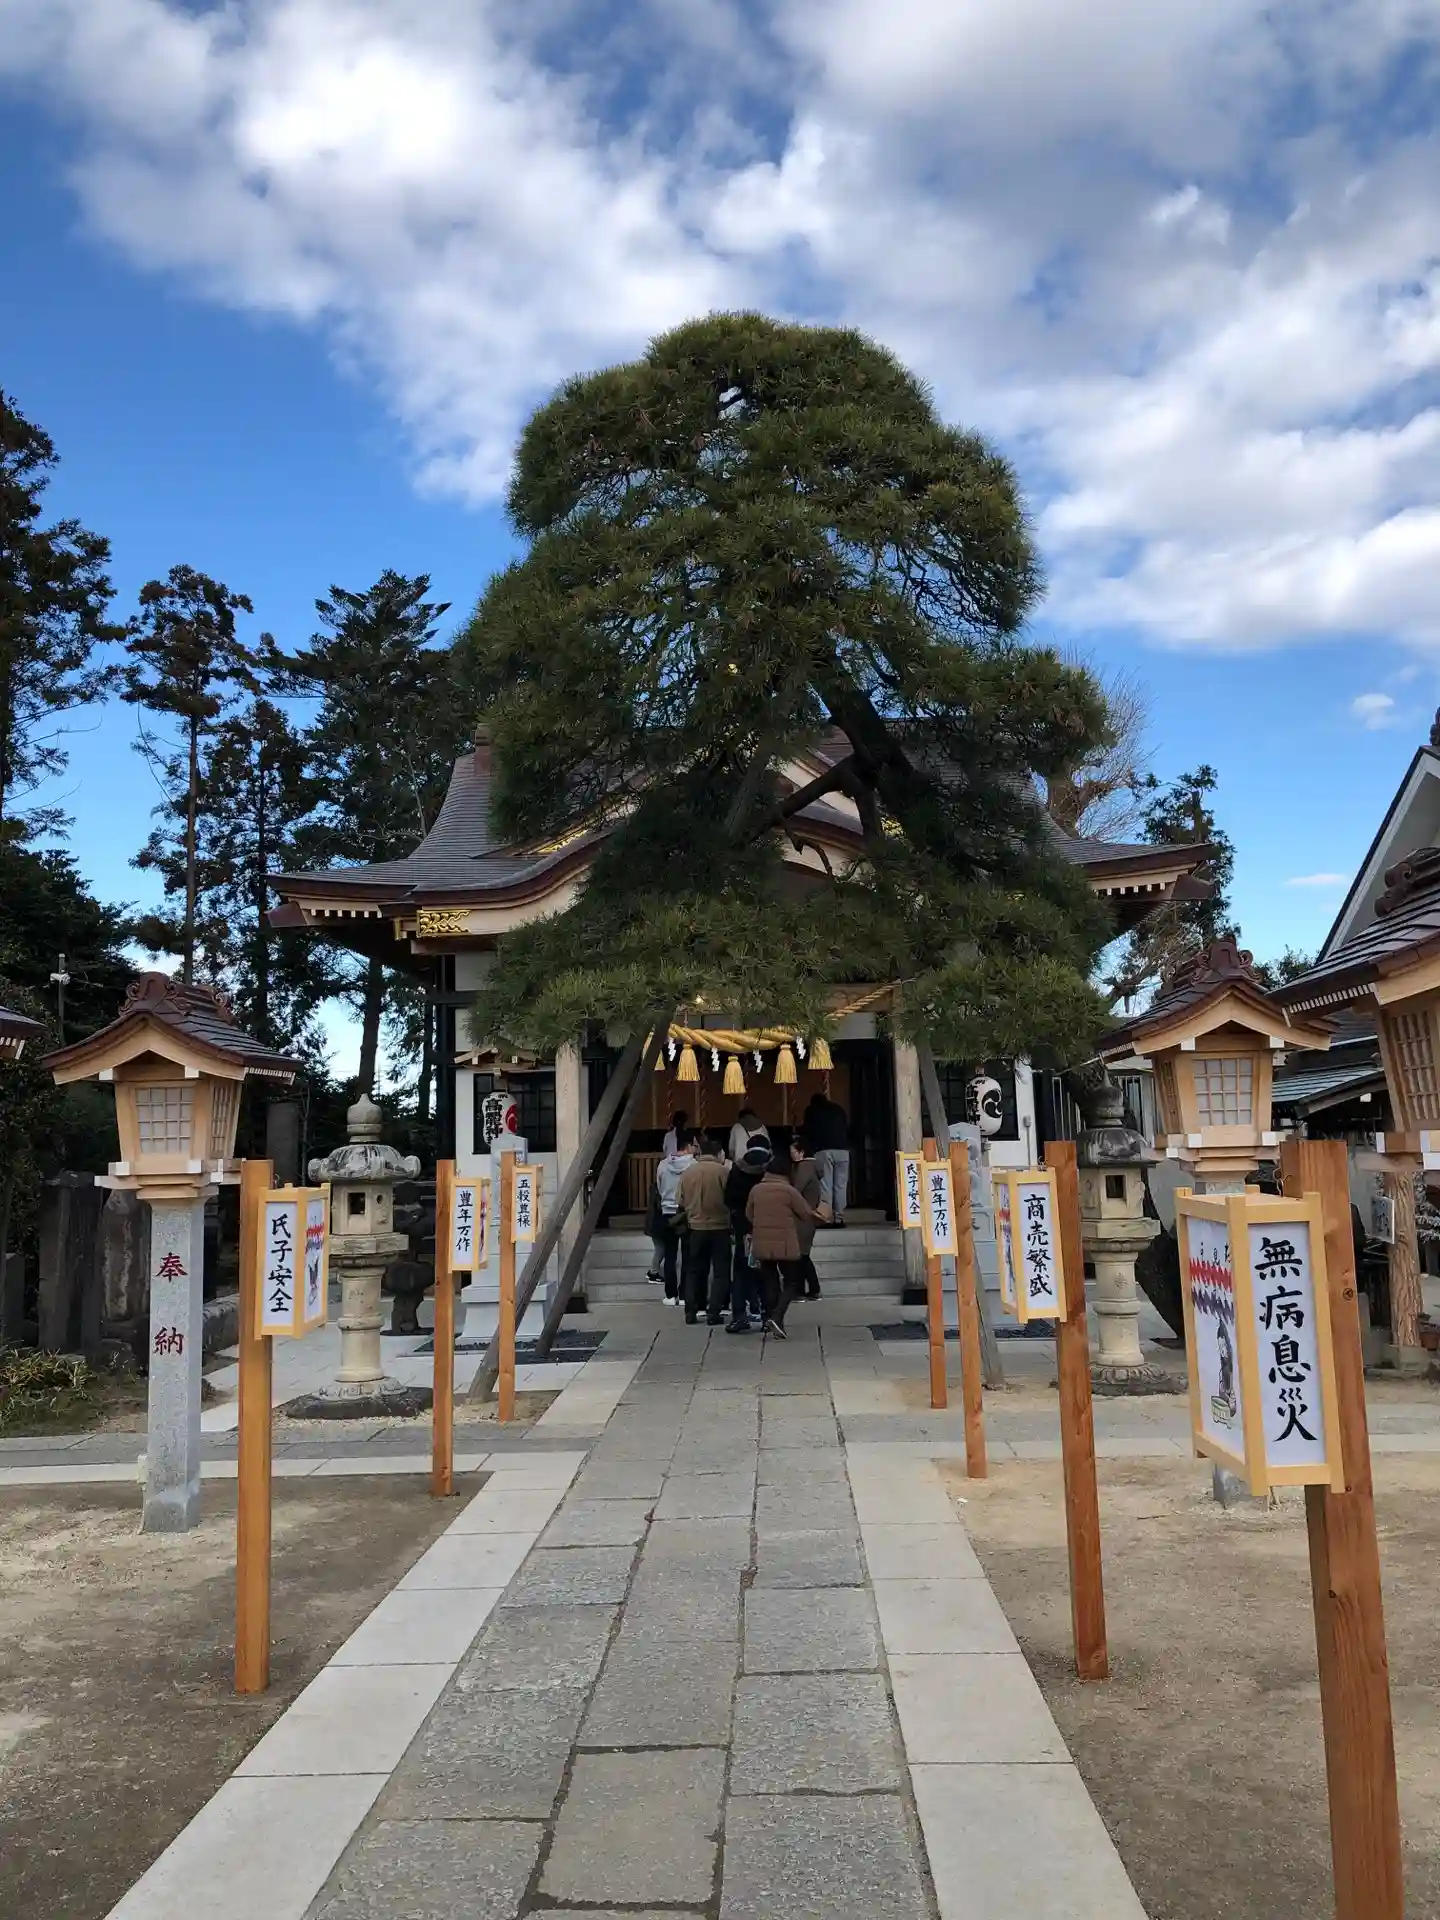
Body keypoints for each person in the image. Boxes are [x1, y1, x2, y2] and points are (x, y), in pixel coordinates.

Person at [746, 1158, 821, 1338]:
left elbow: (749, 1214)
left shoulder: (756, 1190)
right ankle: (777, 1317)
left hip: (763, 1243)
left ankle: (772, 1317)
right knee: (791, 1282)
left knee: (770, 1281)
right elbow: (805, 1213)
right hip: (785, 1244)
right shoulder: (789, 1191)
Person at [678, 1135, 732, 1324]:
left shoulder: (688, 1172)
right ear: (718, 1153)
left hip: (695, 1226)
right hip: (720, 1226)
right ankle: (714, 1311)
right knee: (720, 1271)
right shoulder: (723, 1172)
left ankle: (691, 1310)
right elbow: (730, 1198)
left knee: (694, 1270)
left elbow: (680, 1200)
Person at [723, 1140, 772, 1332]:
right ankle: (768, 1317)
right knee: (767, 1273)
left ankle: (739, 1316)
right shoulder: (771, 1168)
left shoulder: (737, 1169)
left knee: (740, 1273)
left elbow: (728, 1198)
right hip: (766, 1228)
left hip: (743, 1229)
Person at [653, 1127, 695, 1304]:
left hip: (667, 1213)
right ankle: (684, 1294)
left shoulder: (663, 1165)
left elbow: (659, 1185)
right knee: (687, 1256)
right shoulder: (694, 1165)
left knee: (670, 1255)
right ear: (689, 1146)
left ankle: (670, 1295)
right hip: (685, 1213)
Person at [804, 1090, 851, 1225]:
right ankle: (839, 1218)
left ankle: (827, 1217)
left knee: (826, 1185)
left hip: (824, 1150)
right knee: (841, 1186)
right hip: (843, 1150)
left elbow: (808, 1131)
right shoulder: (838, 1109)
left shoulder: (812, 1111)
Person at [789, 1136, 823, 1300]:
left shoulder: (804, 1168)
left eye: (793, 1152)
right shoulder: (812, 1167)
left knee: (801, 1255)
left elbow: (795, 1190)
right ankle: (808, 1289)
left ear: (801, 1152)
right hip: (808, 1215)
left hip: (802, 1217)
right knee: (802, 1255)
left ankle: (806, 1289)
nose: (791, 1155)